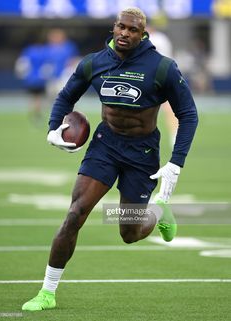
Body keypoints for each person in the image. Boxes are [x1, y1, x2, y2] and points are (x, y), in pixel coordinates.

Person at [22, 7, 198, 311]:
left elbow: (189, 115)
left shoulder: (162, 67)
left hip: (142, 153)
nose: (125, 34)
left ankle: (159, 210)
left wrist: (175, 163)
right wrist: (53, 129)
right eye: (121, 27)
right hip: (105, 145)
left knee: (129, 233)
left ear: (143, 34)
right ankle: (47, 292)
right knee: (76, 213)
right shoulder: (94, 62)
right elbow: (66, 95)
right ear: (114, 28)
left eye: (132, 30)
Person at [147, 22, 178, 147]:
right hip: (164, 75)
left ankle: (173, 136)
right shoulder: (162, 38)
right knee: (169, 109)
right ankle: (174, 136)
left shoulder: (153, 39)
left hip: (153, 76)